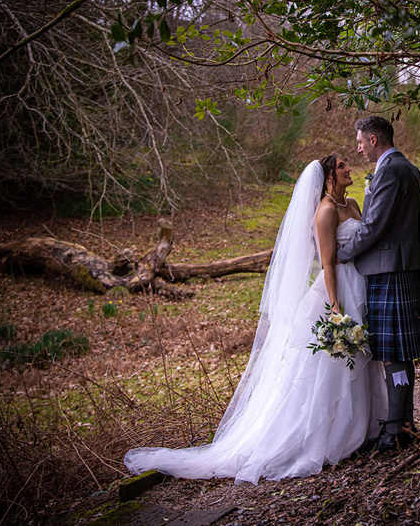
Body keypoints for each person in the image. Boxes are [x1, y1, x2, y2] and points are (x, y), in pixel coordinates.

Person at [123, 156, 386, 484]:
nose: (349, 168)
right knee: (330, 367)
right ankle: (329, 435)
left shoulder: (352, 202)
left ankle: (365, 427)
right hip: (337, 291)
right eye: (343, 165)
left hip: (360, 284)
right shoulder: (325, 211)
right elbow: (328, 264)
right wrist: (335, 308)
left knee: (361, 356)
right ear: (330, 176)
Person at [338, 115, 420, 453]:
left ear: (373, 139)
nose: (357, 148)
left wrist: (343, 252)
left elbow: (373, 227)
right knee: (398, 356)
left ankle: (397, 430)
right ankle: (404, 425)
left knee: (394, 357)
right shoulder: (406, 167)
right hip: (400, 268)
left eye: (360, 141)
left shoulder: (391, 170)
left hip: (390, 271)